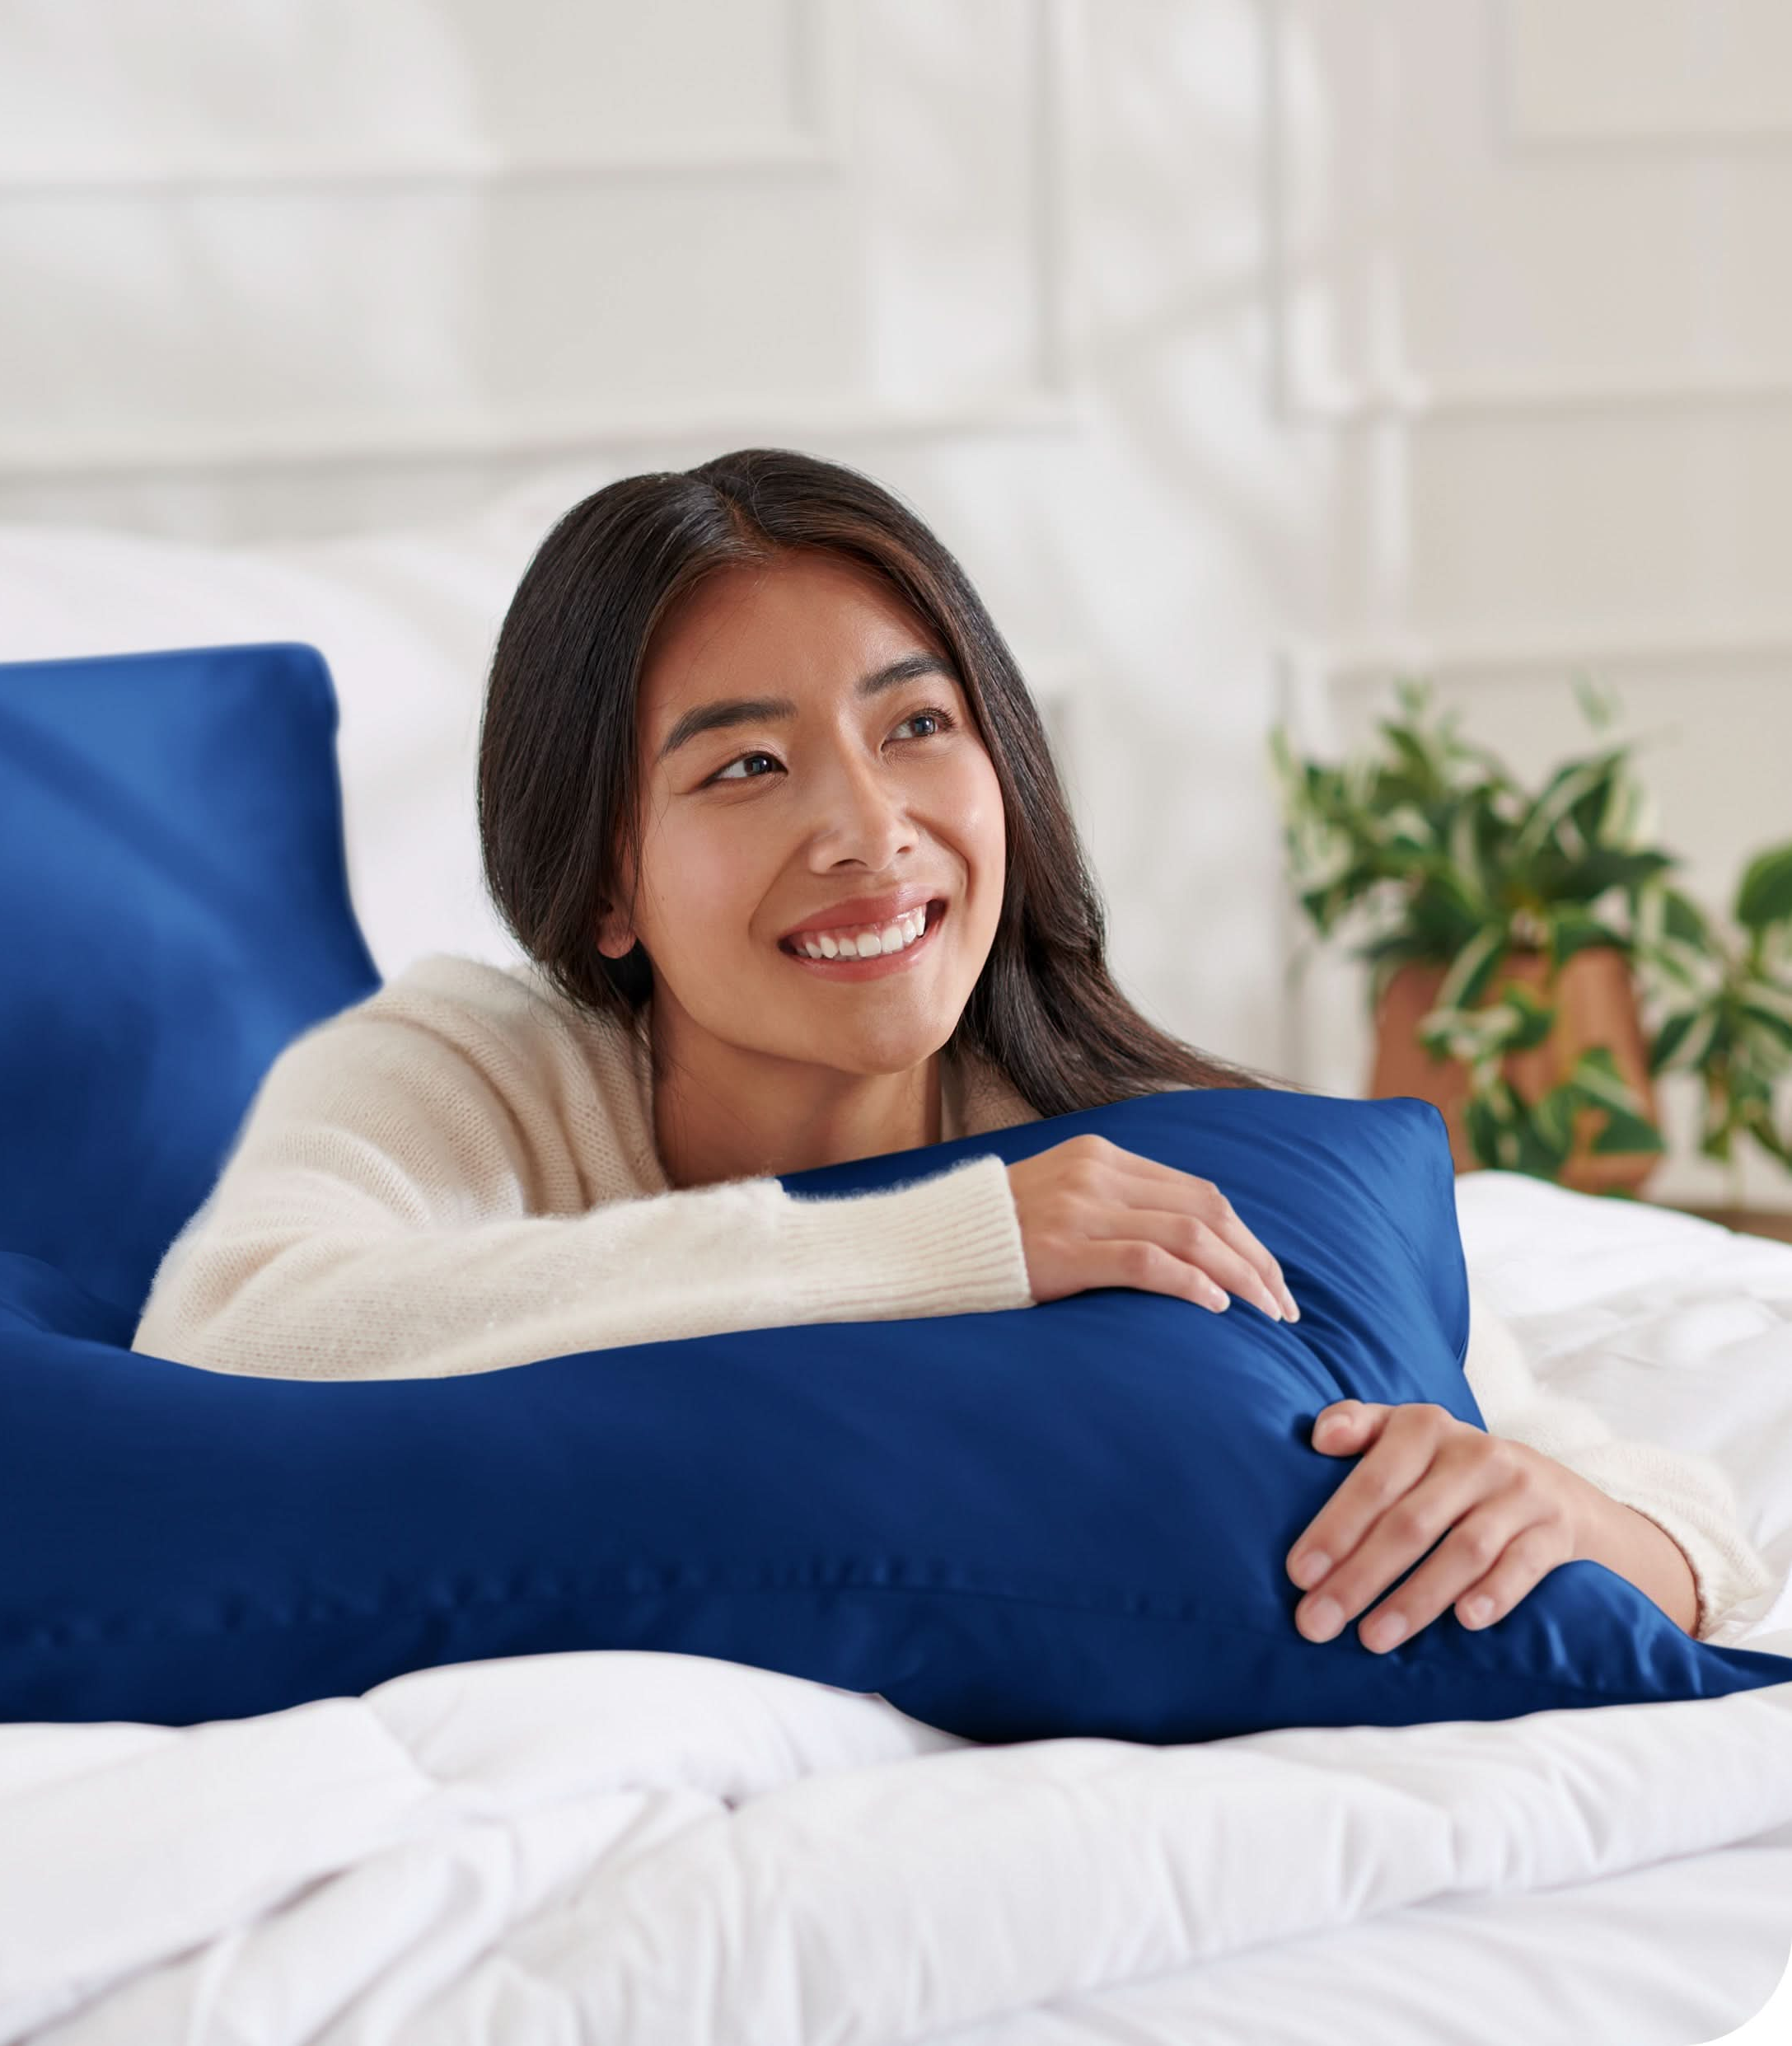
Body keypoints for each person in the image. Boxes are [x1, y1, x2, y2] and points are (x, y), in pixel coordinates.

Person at [132, 446, 1775, 1651]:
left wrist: (1578, 1522)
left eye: (916, 726)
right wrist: (943, 1246)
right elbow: (230, 1333)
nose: (867, 827)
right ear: (605, 879)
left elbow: (1674, 1518)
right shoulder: (475, 1063)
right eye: (744, 767)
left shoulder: (1139, 1156)